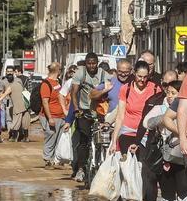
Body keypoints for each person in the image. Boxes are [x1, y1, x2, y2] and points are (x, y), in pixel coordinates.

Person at [67, 52, 108, 181]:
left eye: (94, 63)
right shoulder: (80, 73)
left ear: (97, 63)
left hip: (99, 112)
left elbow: (111, 88)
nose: (91, 66)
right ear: (86, 63)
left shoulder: (103, 74)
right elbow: (74, 93)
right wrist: (76, 109)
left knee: (103, 140)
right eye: (89, 63)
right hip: (84, 111)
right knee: (83, 140)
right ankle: (81, 169)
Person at [111, 59, 160, 154]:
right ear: (134, 73)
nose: (142, 80)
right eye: (139, 76)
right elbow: (120, 116)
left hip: (146, 132)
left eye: (145, 77)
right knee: (126, 162)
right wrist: (114, 141)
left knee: (142, 164)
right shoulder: (125, 89)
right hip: (127, 131)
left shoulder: (155, 89)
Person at [40, 62, 69, 168]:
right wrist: (50, 118)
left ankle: (56, 159)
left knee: (59, 139)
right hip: (51, 116)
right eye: (60, 69)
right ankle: (48, 160)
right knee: (51, 138)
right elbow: (45, 102)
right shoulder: (46, 84)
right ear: (57, 70)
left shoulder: (59, 82)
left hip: (61, 116)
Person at [2, 65, 30, 142]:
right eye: (8, 71)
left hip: (20, 103)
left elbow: (24, 91)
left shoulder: (18, 80)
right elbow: (2, 93)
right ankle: (12, 135)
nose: (9, 73)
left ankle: (21, 136)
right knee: (9, 120)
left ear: (14, 72)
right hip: (9, 103)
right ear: (6, 72)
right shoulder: (3, 81)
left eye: (11, 71)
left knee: (23, 121)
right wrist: (0, 103)